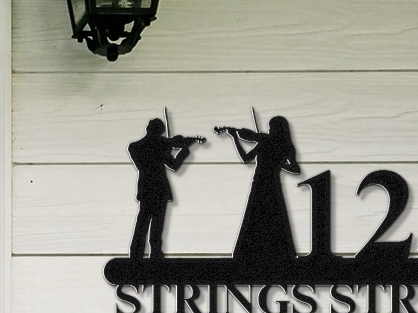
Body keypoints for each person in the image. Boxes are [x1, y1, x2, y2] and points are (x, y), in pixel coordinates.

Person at [217, 115, 300, 268]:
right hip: (274, 183)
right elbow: (295, 169)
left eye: (271, 128)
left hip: (260, 183)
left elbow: (245, 158)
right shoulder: (286, 146)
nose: (268, 130)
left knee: (255, 215)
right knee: (275, 216)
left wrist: (235, 137)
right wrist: (278, 165)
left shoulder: (265, 141)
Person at [127, 118, 197, 259]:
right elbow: (174, 165)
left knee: (143, 222)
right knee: (156, 226)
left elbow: (152, 150)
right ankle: (155, 254)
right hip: (159, 189)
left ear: (148, 129)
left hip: (146, 189)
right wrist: (184, 150)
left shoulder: (135, 147)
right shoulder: (159, 146)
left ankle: (136, 254)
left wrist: (168, 144)